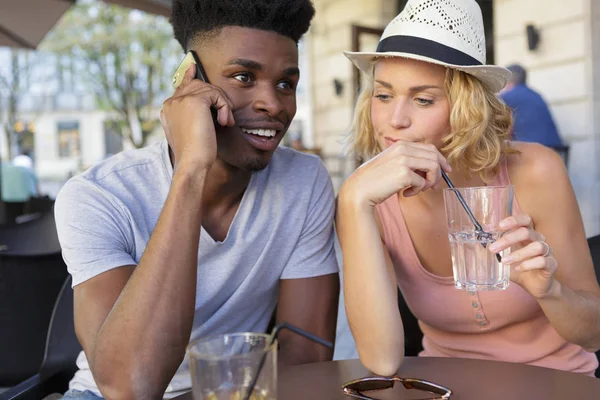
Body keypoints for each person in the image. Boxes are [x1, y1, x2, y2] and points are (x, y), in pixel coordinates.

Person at [54, 0, 340, 398]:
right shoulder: (99, 195)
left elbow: (305, 351)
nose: (273, 105)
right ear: (188, 80)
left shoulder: (304, 182)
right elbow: (129, 386)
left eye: (285, 84)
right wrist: (191, 170)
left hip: (235, 392)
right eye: (243, 76)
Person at [337, 0, 600, 379]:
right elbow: (382, 361)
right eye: (383, 95)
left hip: (554, 382)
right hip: (442, 387)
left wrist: (550, 292)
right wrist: (353, 200)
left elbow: (592, 334)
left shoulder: (536, 171)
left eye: (423, 99)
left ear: (467, 108)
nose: (395, 120)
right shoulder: (366, 199)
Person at [500, 63, 564, 147]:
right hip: (557, 149)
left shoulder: (507, 96)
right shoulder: (536, 94)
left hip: (532, 150)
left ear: (508, 81)